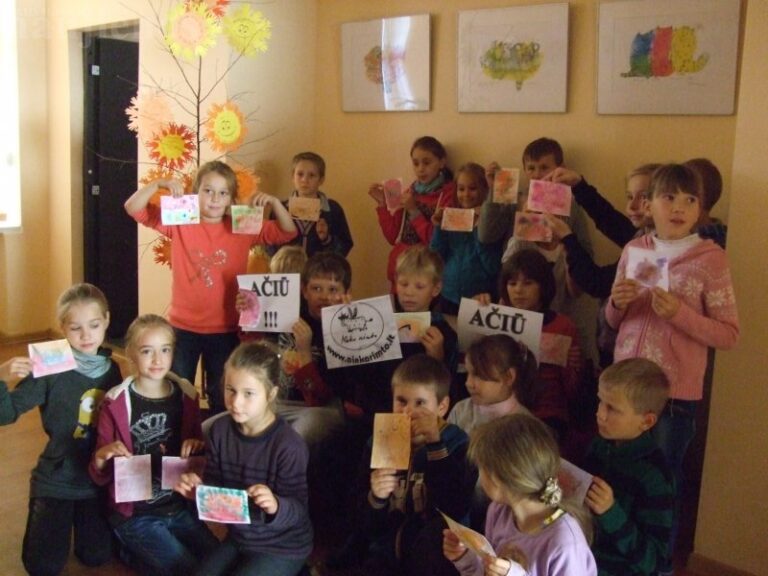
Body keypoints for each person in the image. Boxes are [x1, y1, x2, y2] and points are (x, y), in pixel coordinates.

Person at [606, 163, 739, 574]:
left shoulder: (711, 259)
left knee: (661, 488)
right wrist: (617, 302)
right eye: (669, 197)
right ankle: (613, 556)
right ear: (649, 205)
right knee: (617, 477)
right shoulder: (635, 250)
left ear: (701, 209)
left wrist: (679, 314)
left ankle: (659, 566)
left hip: (673, 397)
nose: (679, 207)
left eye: (690, 199)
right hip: (623, 389)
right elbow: (613, 322)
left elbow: (729, 334)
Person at [124, 160, 298, 414]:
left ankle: (214, 445)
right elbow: (133, 207)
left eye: (223, 192)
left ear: (230, 198)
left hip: (225, 328)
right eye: (208, 190)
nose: (215, 198)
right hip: (183, 327)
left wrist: (274, 203)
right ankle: (179, 445)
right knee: (177, 392)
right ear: (196, 192)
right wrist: (157, 185)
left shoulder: (242, 224)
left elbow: (287, 231)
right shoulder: (181, 219)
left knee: (222, 396)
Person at [0, 283, 122, 576]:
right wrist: (0, 379)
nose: (86, 335)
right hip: (57, 476)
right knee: (42, 567)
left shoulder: (112, 368)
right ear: (63, 328)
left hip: (95, 478)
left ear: (106, 320)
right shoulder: (50, 368)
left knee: (96, 556)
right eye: (75, 328)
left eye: (94, 325)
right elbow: (7, 414)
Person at [89, 314, 218, 575]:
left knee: (220, 562)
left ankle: (138, 554)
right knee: (189, 570)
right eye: (147, 351)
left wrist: (197, 446)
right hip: (136, 515)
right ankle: (128, 549)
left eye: (165, 350)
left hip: (179, 510)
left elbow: (200, 461)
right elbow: (98, 473)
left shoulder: (186, 397)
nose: (158, 360)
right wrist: (103, 454)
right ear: (131, 354)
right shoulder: (115, 403)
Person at [176, 342, 312, 576]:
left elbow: (299, 510)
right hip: (239, 538)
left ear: (271, 394)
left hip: (283, 546)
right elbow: (217, 486)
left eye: (249, 393)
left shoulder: (289, 445)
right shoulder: (219, 430)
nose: (236, 402)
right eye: (231, 390)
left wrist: (276, 505)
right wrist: (198, 491)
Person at [481, 137, 600, 372]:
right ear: (524, 170)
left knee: (555, 369)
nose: (537, 174)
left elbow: (585, 253)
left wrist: (566, 247)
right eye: (531, 168)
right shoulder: (515, 196)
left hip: (561, 311)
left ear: (560, 168)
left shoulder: (572, 203)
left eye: (545, 167)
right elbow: (486, 235)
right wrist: (494, 192)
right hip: (518, 309)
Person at [358, 354, 477, 576]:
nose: (408, 412)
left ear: (442, 407)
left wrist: (435, 445)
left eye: (420, 403)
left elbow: (455, 508)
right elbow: (366, 522)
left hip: (437, 551)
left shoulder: (457, 443)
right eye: (401, 401)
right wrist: (376, 498)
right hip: (387, 549)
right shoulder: (378, 442)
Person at [443, 413, 596, 576]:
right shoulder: (498, 511)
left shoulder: (564, 542)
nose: (480, 476)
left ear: (500, 478)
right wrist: (466, 558)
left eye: (483, 469)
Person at [479, 249, 583, 453]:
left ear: (542, 286)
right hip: (502, 409)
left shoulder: (562, 326)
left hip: (547, 414)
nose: (518, 290)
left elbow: (572, 392)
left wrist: (573, 368)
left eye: (528, 283)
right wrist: (479, 311)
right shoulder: (495, 319)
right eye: (512, 283)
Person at [584, 358, 675, 576]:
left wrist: (611, 513)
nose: (600, 414)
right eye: (600, 402)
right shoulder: (599, 445)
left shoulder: (654, 476)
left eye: (612, 409)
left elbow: (653, 560)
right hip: (585, 558)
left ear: (646, 421)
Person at [353, 245, 458, 418]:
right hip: (379, 413)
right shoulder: (380, 324)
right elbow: (365, 377)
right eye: (404, 284)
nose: (409, 292)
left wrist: (437, 358)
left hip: (421, 417)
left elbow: (449, 390)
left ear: (435, 289)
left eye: (419, 286)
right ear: (395, 283)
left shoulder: (443, 333)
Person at [447, 334, 538, 529]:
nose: (468, 383)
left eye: (479, 376)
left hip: (500, 520)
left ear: (508, 377)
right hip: (457, 509)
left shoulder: (526, 426)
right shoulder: (461, 410)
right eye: (468, 373)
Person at [369, 136, 456, 289]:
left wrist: (414, 211)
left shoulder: (448, 196)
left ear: (442, 162)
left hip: (426, 276)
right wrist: (382, 204)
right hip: (401, 272)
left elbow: (436, 242)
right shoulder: (409, 191)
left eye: (427, 162)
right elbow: (392, 236)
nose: (420, 169)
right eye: (416, 163)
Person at [430, 162, 504, 316]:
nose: (466, 194)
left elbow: (493, 267)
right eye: (461, 189)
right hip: (448, 297)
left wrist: (479, 229)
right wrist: (439, 227)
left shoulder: (492, 223)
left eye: (473, 188)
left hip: (481, 299)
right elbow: (435, 257)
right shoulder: (452, 218)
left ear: (484, 190)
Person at [282, 151, 353, 257]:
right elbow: (269, 246)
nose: (304, 180)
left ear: (321, 180)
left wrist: (326, 239)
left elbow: (344, 247)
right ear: (293, 177)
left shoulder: (332, 209)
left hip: (319, 272)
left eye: (312, 175)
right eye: (300, 174)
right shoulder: (281, 208)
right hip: (288, 271)